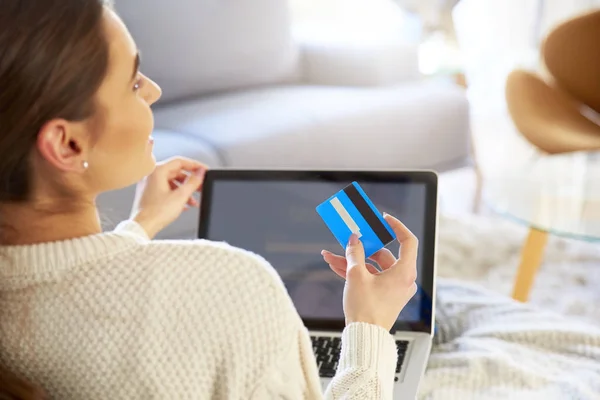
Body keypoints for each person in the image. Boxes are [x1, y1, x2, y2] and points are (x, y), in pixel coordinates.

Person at [0, 0, 419, 398]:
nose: (154, 91)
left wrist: (137, 229)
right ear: (67, 144)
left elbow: (65, 291)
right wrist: (369, 326)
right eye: (133, 82)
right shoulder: (231, 284)